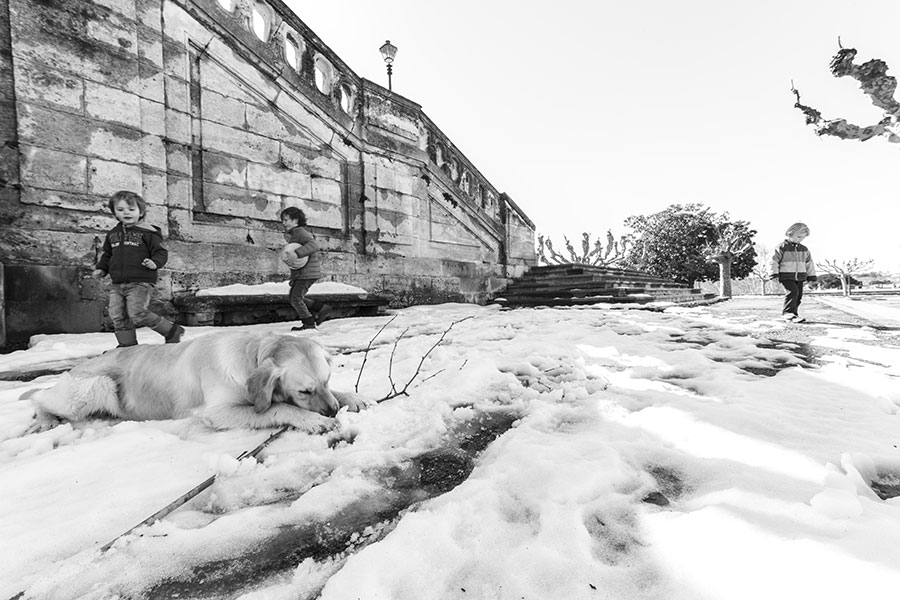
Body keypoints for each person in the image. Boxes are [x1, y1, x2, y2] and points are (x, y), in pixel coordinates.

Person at [93, 190, 185, 347]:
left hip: (140, 281)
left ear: (141, 212)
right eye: (120, 210)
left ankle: (171, 330)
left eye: (131, 209)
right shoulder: (113, 234)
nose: (126, 213)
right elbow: (108, 255)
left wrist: (155, 263)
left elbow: (160, 252)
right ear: (115, 213)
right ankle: (127, 345)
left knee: (137, 313)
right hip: (117, 283)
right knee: (116, 314)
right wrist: (102, 269)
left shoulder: (148, 233)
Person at [280, 206, 332, 330]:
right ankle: (322, 309)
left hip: (307, 273)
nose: (284, 223)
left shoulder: (300, 232)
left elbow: (313, 245)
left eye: (286, 220)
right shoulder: (295, 233)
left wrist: (297, 253)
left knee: (295, 298)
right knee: (295, 297)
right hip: (304, 272)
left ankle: (308, 323)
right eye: (283, 220)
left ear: (296, 220)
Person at [769, 222, 817, 323]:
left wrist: (811, 278)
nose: (800, 239)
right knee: (792, 292)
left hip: (800, 276)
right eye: (799, 237)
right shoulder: (781, 247)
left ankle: (794, 314)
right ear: (790, 234)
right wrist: (774, 274)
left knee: (798, 295)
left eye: (803, 238)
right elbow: (773, 261)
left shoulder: (804, 249)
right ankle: (787, 313)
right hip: (786, 275)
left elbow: (809, 264)